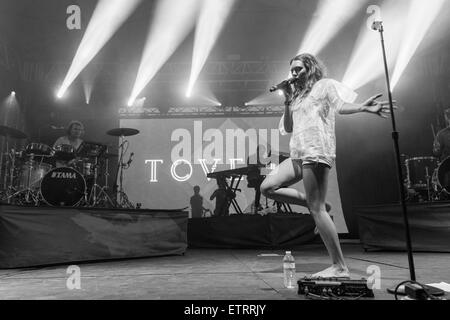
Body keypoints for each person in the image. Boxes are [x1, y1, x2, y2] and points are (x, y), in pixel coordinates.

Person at [260, 53, 395, 278]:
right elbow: (289, 126)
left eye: (298, 69)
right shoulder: (297, 96)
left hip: (316, 150)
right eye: (292, 70)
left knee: (316, 209)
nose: (294, 73)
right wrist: (287, 99)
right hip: (298, 152)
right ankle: (323, 206)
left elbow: (340, 106)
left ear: (310, 68)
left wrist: (362, 107)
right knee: (267, 187)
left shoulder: (324, 86)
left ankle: (339, 266)